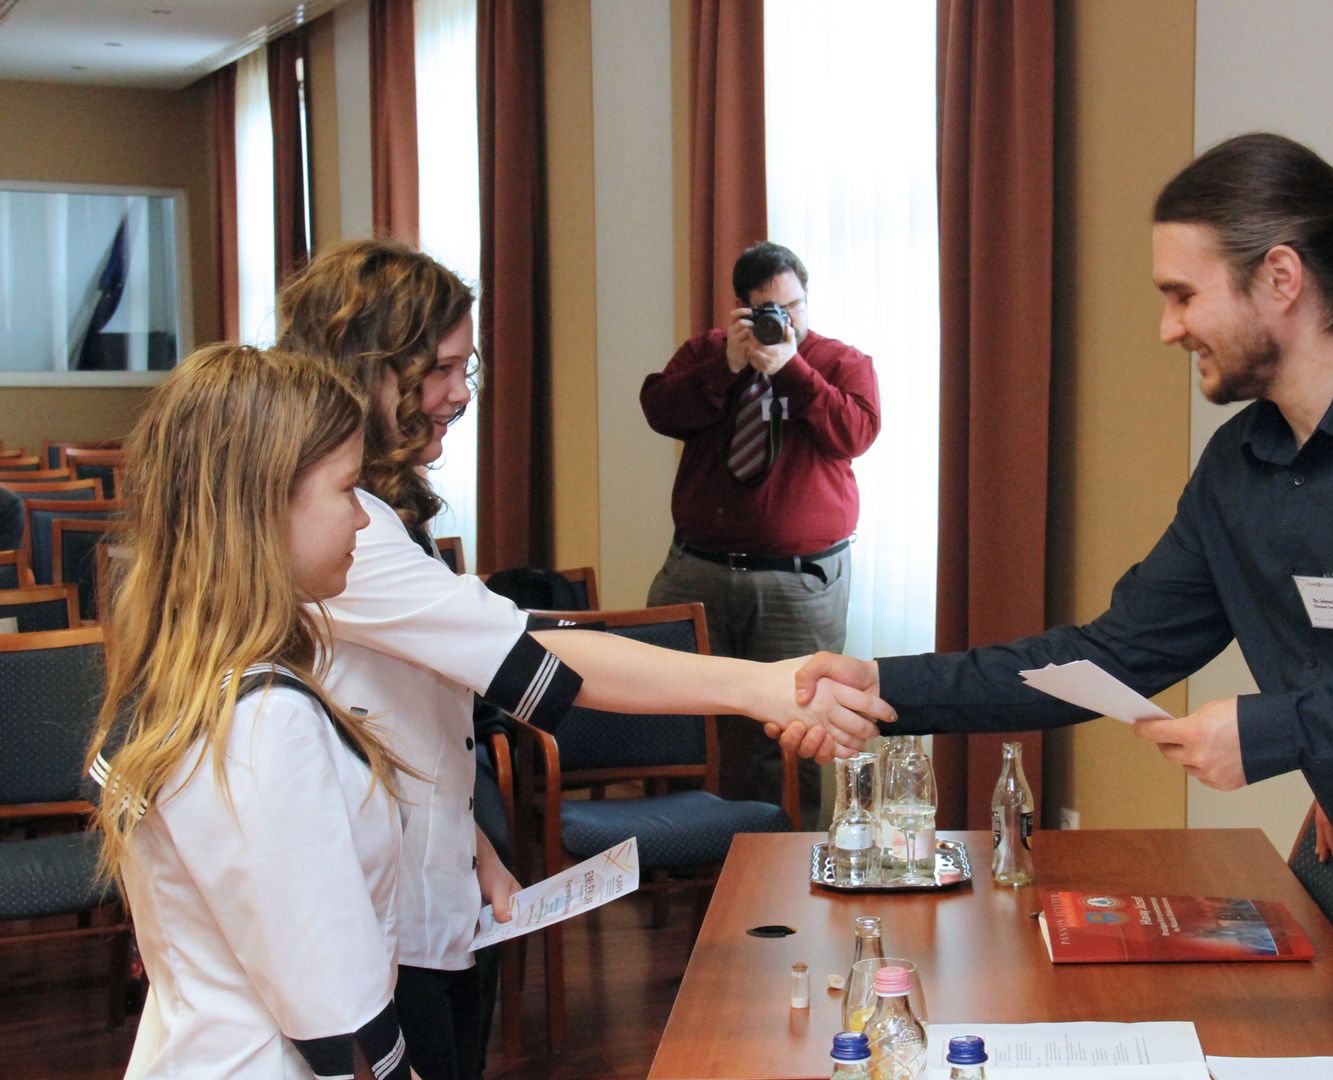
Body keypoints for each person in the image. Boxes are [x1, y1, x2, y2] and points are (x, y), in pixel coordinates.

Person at [783, 134, 1333, 1078]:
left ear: (1280, 279)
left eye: (1183, 294)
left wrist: (1279, 730)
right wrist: (880, 686)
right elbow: (1110, 654)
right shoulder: (1242, 468)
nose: (1168, 329)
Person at [276, 239, 884, 1080]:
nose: (462, 393)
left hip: (430, 894)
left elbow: (409, 707)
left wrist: (473, 850)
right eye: (440, 369)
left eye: (465, 367)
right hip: (380, 930)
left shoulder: (375, 515)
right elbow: (532, 652)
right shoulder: (355, 533)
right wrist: (765, 686)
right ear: (370, 369)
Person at [86, 344, 414, 1079]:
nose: (364, 519)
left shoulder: (184, 675)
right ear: (263, 509)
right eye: (348, 490)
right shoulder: (261, 722)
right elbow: (331, 1000)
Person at [640, 241, 882, 825]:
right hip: (699, 571)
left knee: (795, 732)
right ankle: (693, 857)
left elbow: (855, 434)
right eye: (770, 310)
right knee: (685, 722)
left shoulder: (839, 362)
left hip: (799, 584)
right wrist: (725, 368)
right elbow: (659, 410)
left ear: (806, 298)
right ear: (742, 309)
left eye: (794, 306)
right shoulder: (708, 353)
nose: (785, 320)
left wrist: (792, 371)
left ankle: (789, 859)